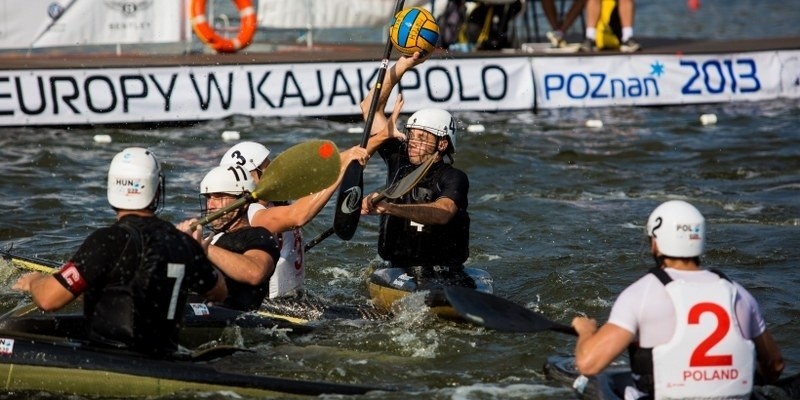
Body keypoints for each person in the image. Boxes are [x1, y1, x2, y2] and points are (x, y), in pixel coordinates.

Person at [12, 147, 227, 358]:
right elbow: (219, 292)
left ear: (112, 188)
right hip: (166, 355)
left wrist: (34, 281)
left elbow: (49, 300)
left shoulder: (107, 240)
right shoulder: (182, 243)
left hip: (110, 356)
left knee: (13, 326)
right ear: (156, 191)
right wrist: (197, 254)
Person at [572, 200, 784, 399]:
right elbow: (774, 365)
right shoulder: (739, 293)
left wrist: (586, 331)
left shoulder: (641, 293)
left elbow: (589, 365)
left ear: (655, 244)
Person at [360, 51, 474, 290]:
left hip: (444, 269)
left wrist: (389, 207)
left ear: (442, 144)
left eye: (422, 138)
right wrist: (402, 65)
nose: (413, 142)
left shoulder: (453, 177)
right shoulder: (399, 158)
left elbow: (443, 212)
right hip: (397, 266)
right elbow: (369, 106)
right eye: (412, 136)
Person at [217, 142, 369, 299]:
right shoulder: (251, 215)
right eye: (266, 168)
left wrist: (378, 138)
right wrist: (342, 169)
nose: (273, 173)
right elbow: (299, 216)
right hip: (273, 304)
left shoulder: (274, 200)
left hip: (296, 297)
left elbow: (318, 171)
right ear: (248, 178)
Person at [177, 165, 281, 311]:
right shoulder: (213, 238)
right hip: (195, 308)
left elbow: (255, 273)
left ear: (243, 201)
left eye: (219, 197)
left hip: (230, 315)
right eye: (208, 198)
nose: (211, 205)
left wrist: (203, 247)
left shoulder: (260, 235)